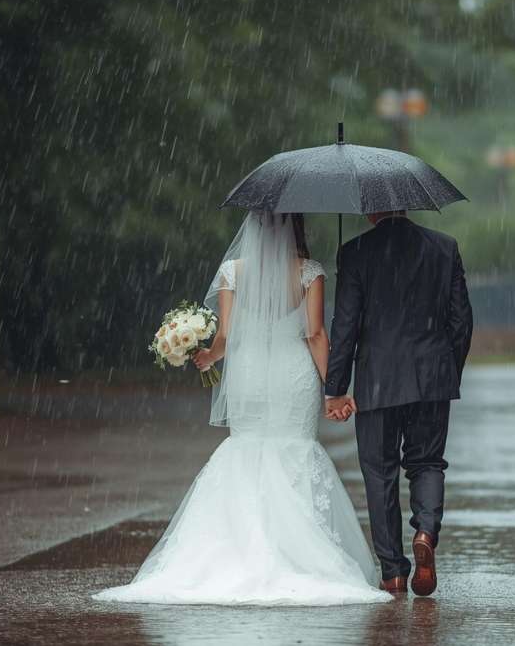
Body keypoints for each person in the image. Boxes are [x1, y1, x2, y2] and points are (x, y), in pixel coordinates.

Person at [92, 211, 391, 606]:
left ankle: (238, 551)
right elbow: (316, 335)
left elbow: (225, 336)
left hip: (248, 374)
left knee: (246, 450)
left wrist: (207, 357)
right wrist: (334, 392)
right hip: (292, 375)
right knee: (294, 450)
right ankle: (293, 553)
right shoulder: (309, 272)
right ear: (295, 226)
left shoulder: (232, 272)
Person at [325, 211, 473, 597]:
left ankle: (392, 572)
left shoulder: (355, 251)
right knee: (427, 463)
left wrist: (335, 387)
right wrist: (447, 370)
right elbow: (461, 321)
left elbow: (345, 325)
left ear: (370, 209)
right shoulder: (444, 247)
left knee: (380, 473)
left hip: (377, 379)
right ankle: (426, 531)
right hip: (432, 377)